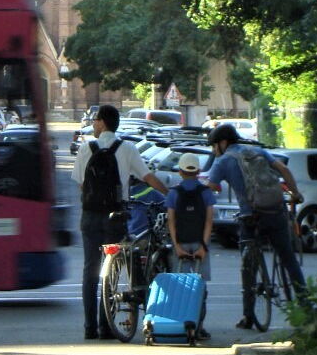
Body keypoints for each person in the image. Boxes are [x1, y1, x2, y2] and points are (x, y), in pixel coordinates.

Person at [72, 103, 168, 340]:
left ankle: (89, 328)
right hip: (115, 218)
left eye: (96, 120)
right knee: (112, 268)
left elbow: (82, 184)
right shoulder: (127, 149)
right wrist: (169, 193)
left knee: (90, 271)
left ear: (102, 122)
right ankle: (106, 326)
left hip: (91, 218)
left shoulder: (87, 148)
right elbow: (146, 176)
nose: (94, 124)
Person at [204, 123, 307, 329]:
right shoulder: (258, 151)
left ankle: (248, 316)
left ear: (223, 143)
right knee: (288, 257)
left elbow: (212, 187)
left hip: (251, 217)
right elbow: (283, 169)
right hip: (276, 211)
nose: (214, 150)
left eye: (214, 146)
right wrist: (295, 193)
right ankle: (307, 306)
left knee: (248, 265)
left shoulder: (223, 161)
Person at [166, 152, 215, 340]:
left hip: (181, 244)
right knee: (200, 286)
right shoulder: (206, 193)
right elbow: (209, 221)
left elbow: (171, 220)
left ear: (180, 171)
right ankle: (199, 326)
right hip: (200, 243)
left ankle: (180, 325)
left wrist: (176, 246)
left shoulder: (173, 193)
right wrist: (204, 245)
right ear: (198, 171)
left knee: (181, 286)